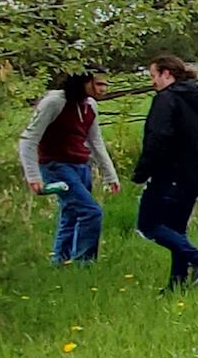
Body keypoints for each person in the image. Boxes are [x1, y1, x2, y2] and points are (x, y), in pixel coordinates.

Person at [13, 73, 120, 264]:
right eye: (98, 84)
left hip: (81, 166)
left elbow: (95, 142)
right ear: (83, 82)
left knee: (71, 214)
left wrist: (110, 176)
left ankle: (60, 262)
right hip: (56, 166)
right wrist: (33, 175)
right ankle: (84, 263)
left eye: (105, 84)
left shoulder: (90, 105)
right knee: (91, 212)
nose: (103, 89)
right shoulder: (54, 102)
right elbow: (29, 139)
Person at [133, 54, 198, 286]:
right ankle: (177, 283)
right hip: (196, 174)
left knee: (148, 225)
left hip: (169, 174)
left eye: (153, 75)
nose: (152, 81)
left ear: (166, 74)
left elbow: (157, 137)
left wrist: (142, 172)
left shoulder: (166, 99)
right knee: (176, 229)